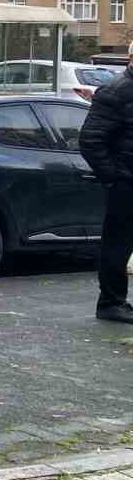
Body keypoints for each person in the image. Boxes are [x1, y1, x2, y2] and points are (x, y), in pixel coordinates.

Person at [78, 41, 133, 323]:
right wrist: (113, 177)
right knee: (117, 245)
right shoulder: (115, 91)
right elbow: (90, 140)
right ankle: (111, 302)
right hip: (126, 183)